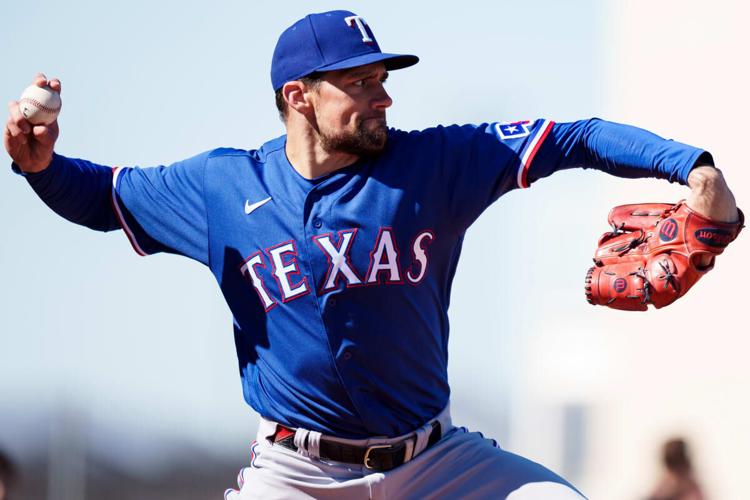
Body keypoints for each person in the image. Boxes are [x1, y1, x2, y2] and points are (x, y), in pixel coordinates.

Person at [4, 9, 739, 500]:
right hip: (295, 474)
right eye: (357, 83)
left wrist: (694, 167)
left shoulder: (436, 162)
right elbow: (102, 198)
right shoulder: (222, 186)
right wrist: (40, 166)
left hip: (436, 464)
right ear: (299, 96)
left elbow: (571, 136)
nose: (381, 97)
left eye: (382, 79)